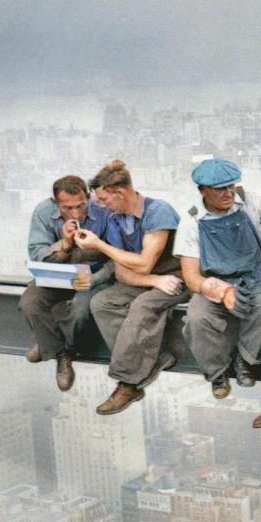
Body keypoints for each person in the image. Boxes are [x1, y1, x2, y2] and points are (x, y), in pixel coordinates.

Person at [175, 158, 261, 401]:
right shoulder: (191, 219)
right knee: (197, 318)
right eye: (220, 189)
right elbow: (191, 277)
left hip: (257, 275)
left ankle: (246, 360)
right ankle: (217, 373)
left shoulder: (252, 200)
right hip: (216, 281)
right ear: (203, 191)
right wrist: (222, 292)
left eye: (231, 186)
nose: (228, 193)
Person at [77, 160, 189, 414]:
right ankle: (155, 357)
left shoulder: (158, 212)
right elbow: (122, 269)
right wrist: (153, 281)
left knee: (143, 306)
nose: (102, 206)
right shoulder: (116, 218)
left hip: (177, 276)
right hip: (151, 278)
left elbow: (144, 261)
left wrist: (100, 245)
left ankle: (128, 382)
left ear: (120, 192)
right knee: (103, 302)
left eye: (104, 199)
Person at [19, 175, 113, 391]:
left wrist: (95, 278)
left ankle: (51, 345)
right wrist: (64, 244)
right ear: (55, 203)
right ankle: (59, 352)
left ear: (87, 198)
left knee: (80, 311)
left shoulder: (104, 210)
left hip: (94, 275)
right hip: (57, 273)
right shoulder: (43, 212)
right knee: (30, 303)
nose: (76, 213)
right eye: (67, 208)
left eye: (81, 206)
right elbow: (37, 253)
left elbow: (117, 256)